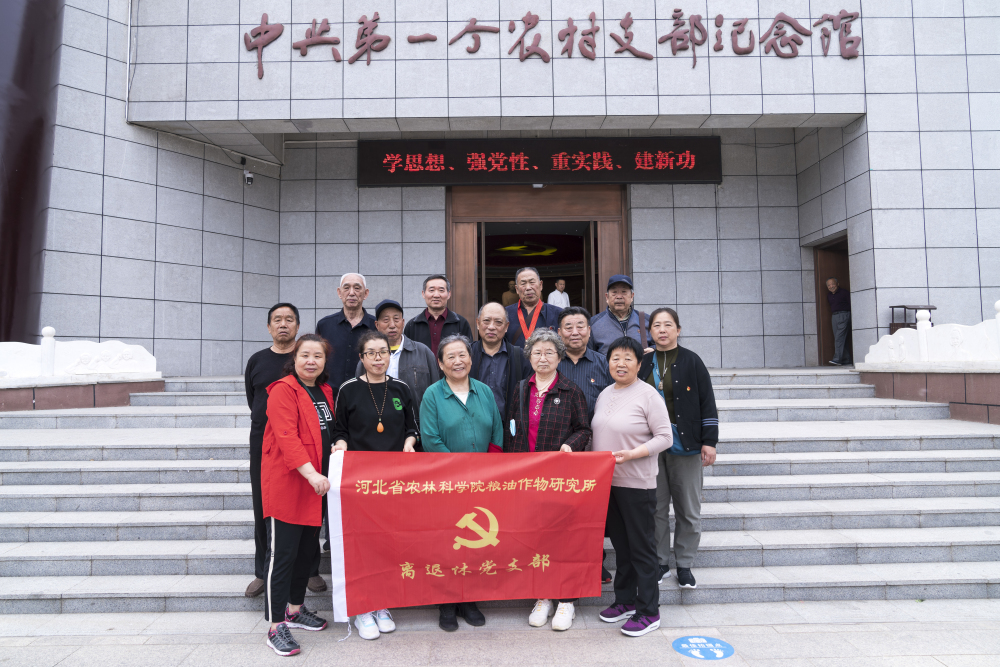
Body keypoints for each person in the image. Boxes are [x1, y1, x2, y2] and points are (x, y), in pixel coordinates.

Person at [504, 329, 591, 632]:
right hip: (526, 479)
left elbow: (584, 429)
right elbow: (511, 428)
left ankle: (567, 600)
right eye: (537, 352)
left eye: (549, 352)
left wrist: (569, 445)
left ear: (559, 357)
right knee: (535, 538)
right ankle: (543, 597)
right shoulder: (520, 388)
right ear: (529, 357)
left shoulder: (571, 390)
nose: (543, 358)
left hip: (558, 478)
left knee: (563, 538)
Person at [334, 330, 418, 640]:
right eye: (371, 353)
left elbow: (412, 427)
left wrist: (410, 443)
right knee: (363, 544)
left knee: (388, 543)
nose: (378, 358)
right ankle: (362, 608)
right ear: (362, 358)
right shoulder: (349, 389)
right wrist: (341, 446)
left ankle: (382, 604)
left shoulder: (401, 388)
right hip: (361, 481)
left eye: (383, 351)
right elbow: (339, 431)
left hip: (394, 481)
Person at [420, 334, 504, 632]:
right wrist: (459, 472)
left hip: (482, 482)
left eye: (462, 355)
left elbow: (496, 432)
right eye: (451, 357)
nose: (458, 361)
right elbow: (430, 439)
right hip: (447, 482)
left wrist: (487, 470)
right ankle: (446, 603)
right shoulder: (432, 394)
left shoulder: (484, 391)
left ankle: (469, 599)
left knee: (475, 543)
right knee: (447, 543)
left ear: (471, 359)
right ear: (441, 363)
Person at [591, 336, 672, 638]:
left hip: (637, 484)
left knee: (641, 549)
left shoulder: (648, 395)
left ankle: (649, 611)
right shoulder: (605, 393)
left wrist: (634, 454)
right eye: (615, 358)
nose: (621, 364)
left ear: (639, 364)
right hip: (608, 484)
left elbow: (665, 437)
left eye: (628, 358)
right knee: (622, 547)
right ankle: (625, 601)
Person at [261, 334, 334, 656]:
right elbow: (287, 437)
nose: (311, 361)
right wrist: (311, 474)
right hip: (289, 483)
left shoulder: (325, 391)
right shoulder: (282, 390)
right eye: (305, 355)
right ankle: (276, 625)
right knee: (283, 556)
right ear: (294, 358)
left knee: (306, 553)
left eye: (318, 356)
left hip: (315, 486)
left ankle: (294, 609)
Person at [637, 308, 718, 591]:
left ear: (678, 330)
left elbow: (707, 402)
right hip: (650, 447)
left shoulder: (692, 360)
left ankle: (684, 564)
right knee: (656, 508)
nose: (662, 330)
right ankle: (660, 562)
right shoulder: (643, 362)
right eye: (656, 325)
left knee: (688, 509)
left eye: (668, 325)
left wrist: (710, 441)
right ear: (650, 331)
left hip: (686, 444)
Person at [244, 303, 308, 598]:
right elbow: (253, 401)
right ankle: (262, 571)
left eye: (289, 319)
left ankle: (309, 570)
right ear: (269, 327)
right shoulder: (257, 360)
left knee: (305, 505)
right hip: (264, 444)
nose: (283, 324)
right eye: (277, 320)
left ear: (298, 326)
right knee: (263, 506)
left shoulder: (305, 358)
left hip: (301, 443)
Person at [555, 306, 615, 585]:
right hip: (561, 447)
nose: (575, 332)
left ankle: (596, 559)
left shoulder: (603, 363)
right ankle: (565, 558)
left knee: (594, 507)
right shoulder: (553, 362)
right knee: (565, 507)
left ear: (590, 331)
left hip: (596, 446)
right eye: (568, 327)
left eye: (580, 326)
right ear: (559, 332)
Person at [355, 299, 438, 419]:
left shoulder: (423, 352)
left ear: (403, 322)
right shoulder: (368, 357)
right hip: (377, 423)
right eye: (386, 320)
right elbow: (359, 394)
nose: (392, 325)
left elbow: (436, 391)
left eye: (396, 319)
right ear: (377, 325)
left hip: (417, 424)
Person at [316, 273, 376, 393]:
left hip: (366, 395)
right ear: (339, 293)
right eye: (346, 288)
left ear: (366, 293)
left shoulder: (376, 326)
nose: (351, 293)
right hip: (330, 396)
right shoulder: (324, 325)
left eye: (357, 288)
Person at [470, 302, 526, 421]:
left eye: (498, 322)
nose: (491, 327)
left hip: (508, 427)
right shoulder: (466, 355)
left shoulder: (520, 357)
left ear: (506, 327)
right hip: (471, 425)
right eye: (486, 321)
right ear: (478, 323)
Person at [403, 274, 473, 357]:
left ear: (449, 294)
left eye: (441, 290)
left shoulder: (461, 323)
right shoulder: (412, 325)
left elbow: (468, 354)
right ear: (423, 294)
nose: (436, 295)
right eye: (431, 290)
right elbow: (407, 356)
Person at [589, 275, 650, 355]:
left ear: (632, 296)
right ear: (607, 297)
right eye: (614, 292)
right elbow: (589, 354)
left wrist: (653, 349)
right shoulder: (593, 323)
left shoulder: (647, 320)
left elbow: (661, 345)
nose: (619, 297)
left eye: (624, 292)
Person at [505, 267, 563, 347]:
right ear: (517, 289)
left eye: (532, 282)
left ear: (541, 285)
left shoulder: (559, 314)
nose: (528, 287)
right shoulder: (505, 314)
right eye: (523, 283)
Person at [826, 278, 852, 365]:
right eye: (829, 285)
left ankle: (837, 359)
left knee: (839, 338)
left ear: (837, 284)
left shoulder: (844, 293)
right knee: (841, 338)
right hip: (834, 316)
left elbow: (851, 304)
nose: (831, 286)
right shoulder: (829, 295)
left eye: (833, 284)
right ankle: (846, 359)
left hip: (844, 315)